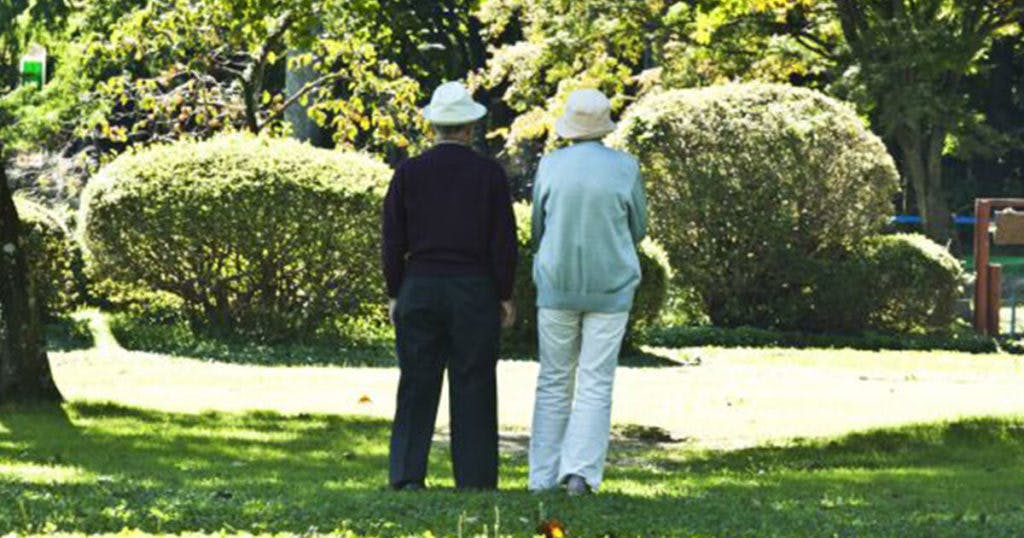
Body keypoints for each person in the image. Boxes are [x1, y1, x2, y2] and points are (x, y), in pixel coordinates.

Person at [382, 81, 518, 491]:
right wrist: (505, 292)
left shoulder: (408, 172)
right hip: (473, 288)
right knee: (474, 380)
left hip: (420, 284)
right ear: (468, 128)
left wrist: (394, 291)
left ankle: (407, 474)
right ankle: (475, 479)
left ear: (435, 127)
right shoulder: (489, 174)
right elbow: (503, 240)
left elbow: (392, 238)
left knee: (416, 383)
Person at [527, 88, 647, 495]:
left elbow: (537, 229)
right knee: (596, 380)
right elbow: (639, 228)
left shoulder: (550, 165)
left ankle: (541, 477)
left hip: (557, 284)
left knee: (554, 379)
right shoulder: (625, 167)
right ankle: (579, 473)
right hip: (611, 286)